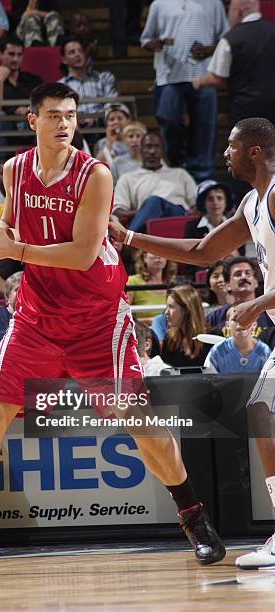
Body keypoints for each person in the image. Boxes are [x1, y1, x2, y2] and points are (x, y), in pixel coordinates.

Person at [0, 81, 225, 579]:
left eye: (70, 115)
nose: (64, 123)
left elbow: (82, 253)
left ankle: (194, 517)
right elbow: (20, 237)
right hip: (36, 318)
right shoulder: (14, 171)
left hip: (96, 319)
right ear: (32, 120)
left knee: (142, 427)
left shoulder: (96, 175)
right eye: (53, 115)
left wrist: (12, 252)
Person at [108, 116, 275, 569]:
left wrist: (258, 304)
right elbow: (203, 252)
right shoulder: (252, 202)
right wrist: (131, 237)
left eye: (232, 146)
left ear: (255, 151)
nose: (225, 153)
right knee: (262, 413)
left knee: (264, 413)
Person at [140, 0, 228, 181]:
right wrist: (157, 44)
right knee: (169, 121)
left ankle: (203, 176)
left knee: (205, 127)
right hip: (169, 76)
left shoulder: (213, 3)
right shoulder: (159, 4)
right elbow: (145, 39)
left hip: (204, 75)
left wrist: (211, 48)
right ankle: (176, 168)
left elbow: (225, 38)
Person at [193, 0, 275, 127]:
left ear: (238, 12)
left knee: (246, 145)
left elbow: (216, 78)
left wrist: (200, 81)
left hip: (245, 109)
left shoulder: (231, 38)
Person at [113, 131, 197, 230]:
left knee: (155, 202)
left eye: (157, 147)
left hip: (179, 220)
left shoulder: (180, 174)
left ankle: (129, 241)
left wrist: (151, 208)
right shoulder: (127, 178)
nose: (152, 151)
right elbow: (118, 212)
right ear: (140, 150)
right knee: (153, 203)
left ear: (163, 151)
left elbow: (197, 205)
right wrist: (147, 210)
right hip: (148, 227)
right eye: (148, 147)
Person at [0, 35, 42, 153]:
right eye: (11, 54)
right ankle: (1, 164)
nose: (15, 59)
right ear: (0, 55)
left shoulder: (34, 80)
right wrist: (0, 80)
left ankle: (41, 162)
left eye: (19, 55)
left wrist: (29, 109)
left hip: (29, 125)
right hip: (4, 128)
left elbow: (45, 105)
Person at [58, 38, 118, 125]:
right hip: (73, 129)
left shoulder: (104, 78)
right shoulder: (60, 86)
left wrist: (96, 117)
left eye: (80, 51)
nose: (77, 54)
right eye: (72, 52)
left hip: (102, 126)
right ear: (64, 60)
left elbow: (112, 103)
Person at [206, 256, 273, 332]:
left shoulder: (270, 311)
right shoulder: (215, 317)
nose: (244, 277)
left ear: (256, 282)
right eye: (238, 274)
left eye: (248, 273)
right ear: (227, 285)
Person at [184, 179, 235, 278]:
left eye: (219, 198)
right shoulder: (192, 227)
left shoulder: (235, 225)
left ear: (226, 202)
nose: (215, 202)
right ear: (203, 203)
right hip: (203, 277)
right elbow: (190, 263)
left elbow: (240, 258)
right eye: (210, 199)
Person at [205, 305, 271, 373]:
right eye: (235, 319)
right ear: (227, 325)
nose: (240, 323)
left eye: (246, 318)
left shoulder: (264, 351)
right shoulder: (217, 351)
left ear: (254, 324)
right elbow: (208, 380)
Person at [162, 285, 210, 368]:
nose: (166, 312)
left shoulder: (210, 338)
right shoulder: (170, 339)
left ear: (187, 309)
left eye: (171, 307)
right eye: (167, 307)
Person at [127, 251, 177, 320]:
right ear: (144, 257)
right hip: (142, 329)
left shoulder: (174, 285)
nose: (158, 256)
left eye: (162, 253)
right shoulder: (132, 282)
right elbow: (123, 314)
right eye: (153, 251)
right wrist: (153, 321)